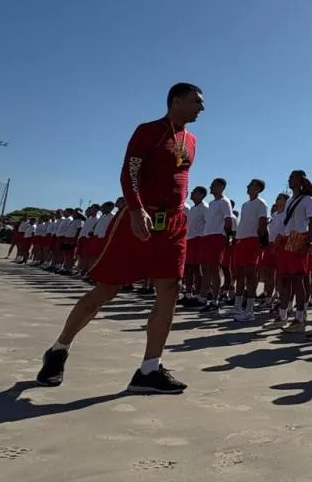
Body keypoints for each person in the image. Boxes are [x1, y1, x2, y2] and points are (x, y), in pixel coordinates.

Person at [35, 82, 204, 394]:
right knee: (107, 289)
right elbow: (130, 174)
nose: (201, 108)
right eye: (196, 101)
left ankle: (149, 368)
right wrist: (137, 210)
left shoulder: (191, 139)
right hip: (140, 218)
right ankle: (59, 349)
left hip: (174, 223)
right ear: (176, 101)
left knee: (170, 288)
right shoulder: (148, 131)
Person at [275, 171, 312, 333]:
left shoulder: (308, 199)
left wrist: (310, 241)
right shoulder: (290, 201)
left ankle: (300, 318)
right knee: (285, 279)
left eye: (293, 177)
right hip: (287, 239)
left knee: (298, 279)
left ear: (301, 181)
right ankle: (282, 316)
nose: (289, 179)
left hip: (299, 237)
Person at [231, 179, 269, 322]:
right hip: (241, 241)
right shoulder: (245, 205)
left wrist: (260, 240)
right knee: (239, 274)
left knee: (250, 275)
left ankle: (250, 310)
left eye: (251, 185)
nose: (248, 186)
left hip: (252, 241)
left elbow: (263, 223)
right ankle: (238, 306)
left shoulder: (261, 204)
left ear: (258, 188)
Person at [198, 178, 233, 314]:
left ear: (221, 187)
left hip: (217, 237)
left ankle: (215, 300)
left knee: (214, 268)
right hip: (207, 237)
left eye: (213, 185)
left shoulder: (225, 202)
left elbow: (228, 220)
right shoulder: (212, 203)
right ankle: (203, 298)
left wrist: (227, 236)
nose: (211, 187)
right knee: (205, 268)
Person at [182, 186, 209, 307]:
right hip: (189, 239)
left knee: (196, 268)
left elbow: (208, 223)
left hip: (199, 240)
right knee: (187, 268)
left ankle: (198, 295)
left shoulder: (205, 208)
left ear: (201, 195)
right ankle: (187, 294)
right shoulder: (193, 208)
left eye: (195, 192)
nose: (192, 194)